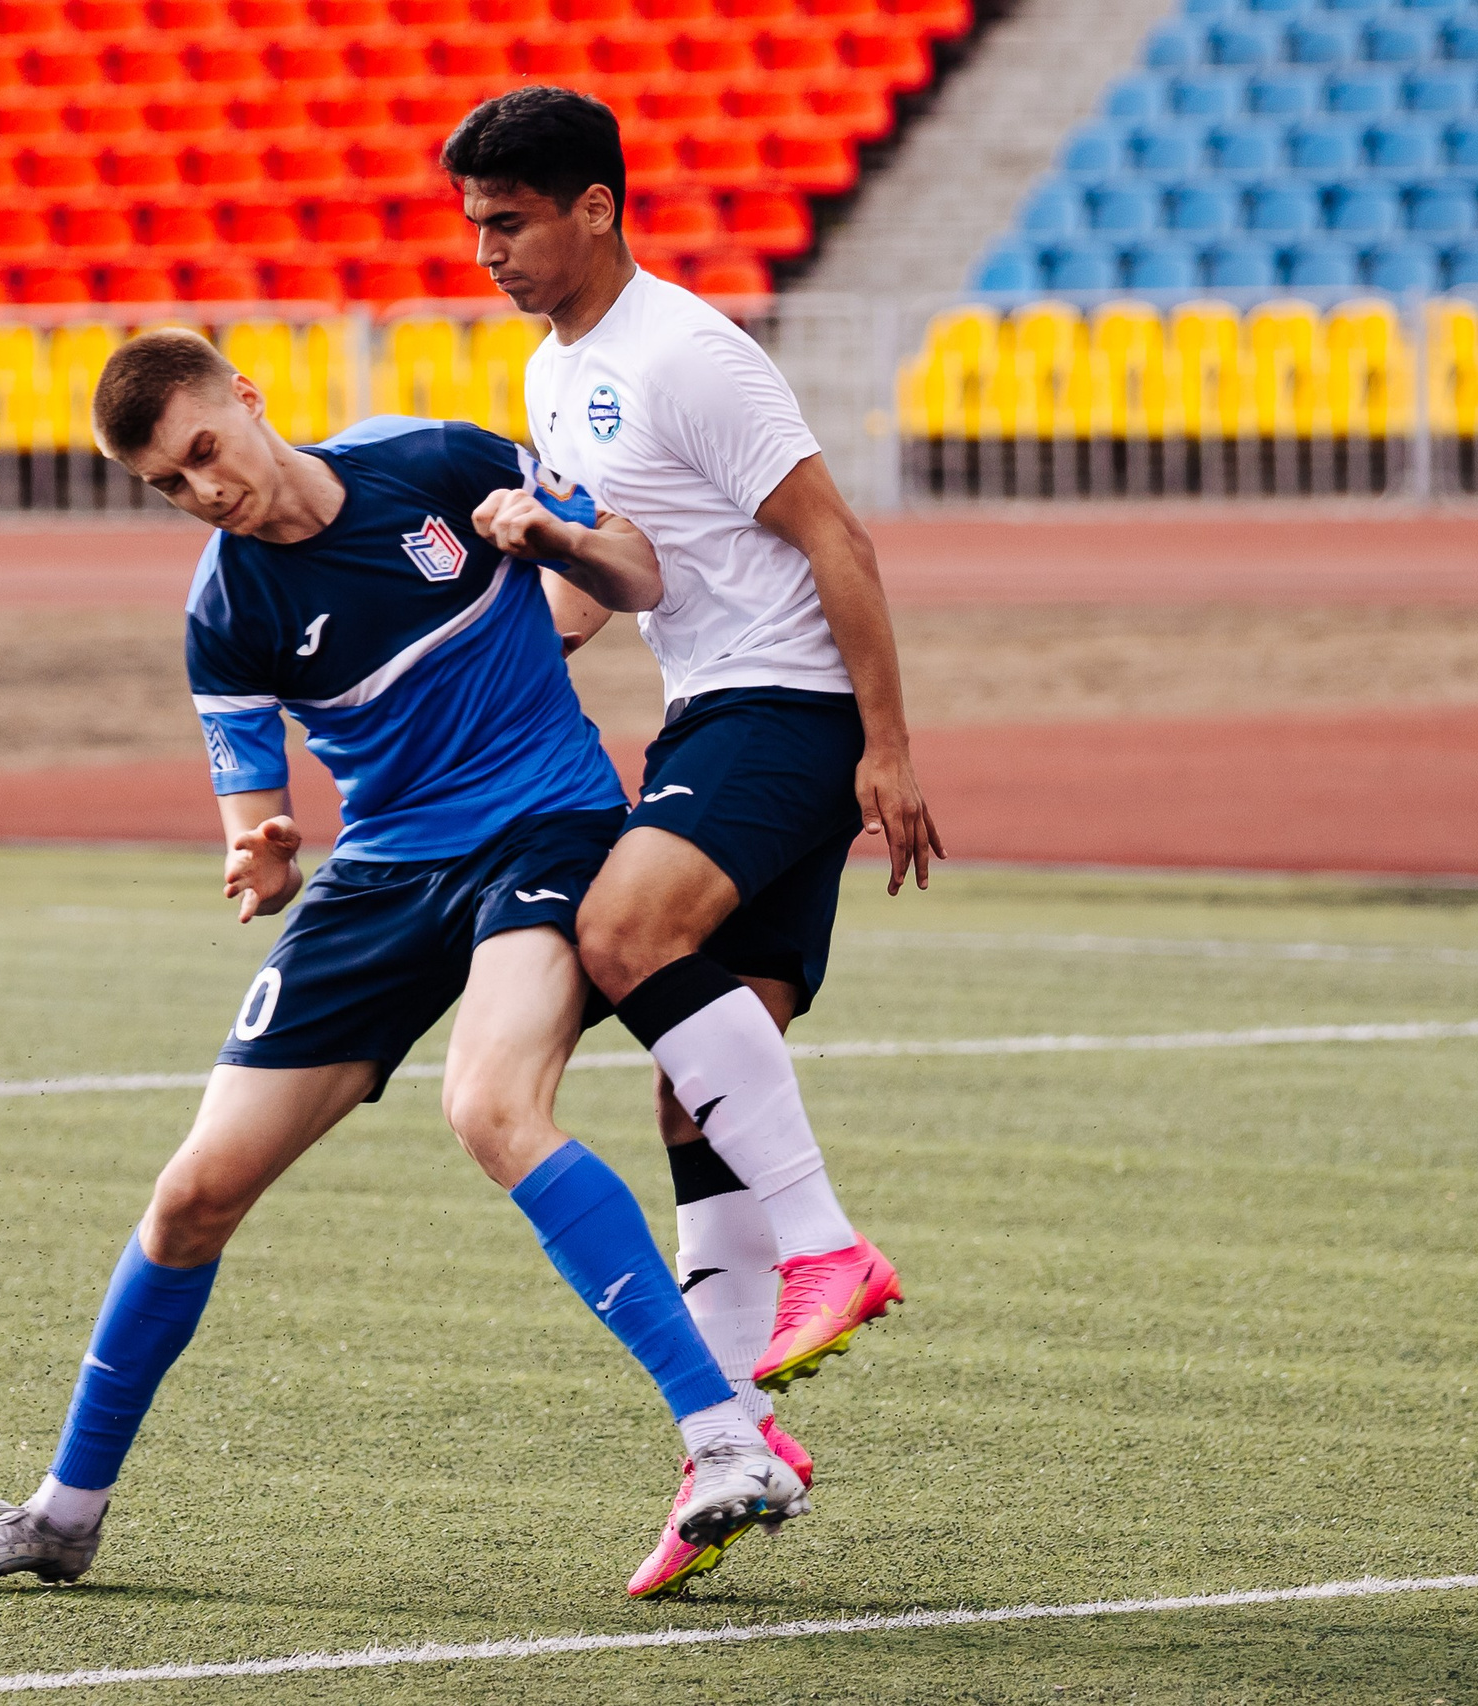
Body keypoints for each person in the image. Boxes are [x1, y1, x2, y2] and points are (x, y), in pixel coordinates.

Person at [0, 330, 810, 1595]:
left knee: (489, 1106)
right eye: (165, 483)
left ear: (248, 402)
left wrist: (553, 547)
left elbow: (628, 569)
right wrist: (258, 853)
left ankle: (720, 1440)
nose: (201, 491)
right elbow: (254, 818)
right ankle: (62, 1511)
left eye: (202, 452)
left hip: (543, 832)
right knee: (191, 1193)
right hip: (377, 875)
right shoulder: (225, 612)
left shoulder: (433, 461)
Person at [447, 86, 945, 1598]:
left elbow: (834, 540)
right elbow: (612, 583)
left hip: (783, 712)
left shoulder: (688, 352)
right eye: (474, 224)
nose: (488, 252)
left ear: (595, 205)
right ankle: (732, 1445)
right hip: (712, 715)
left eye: (510, 221)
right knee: (690, 1100)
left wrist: (889, 745)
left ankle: (828, 1247)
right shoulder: (549, 373)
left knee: (618, 931)